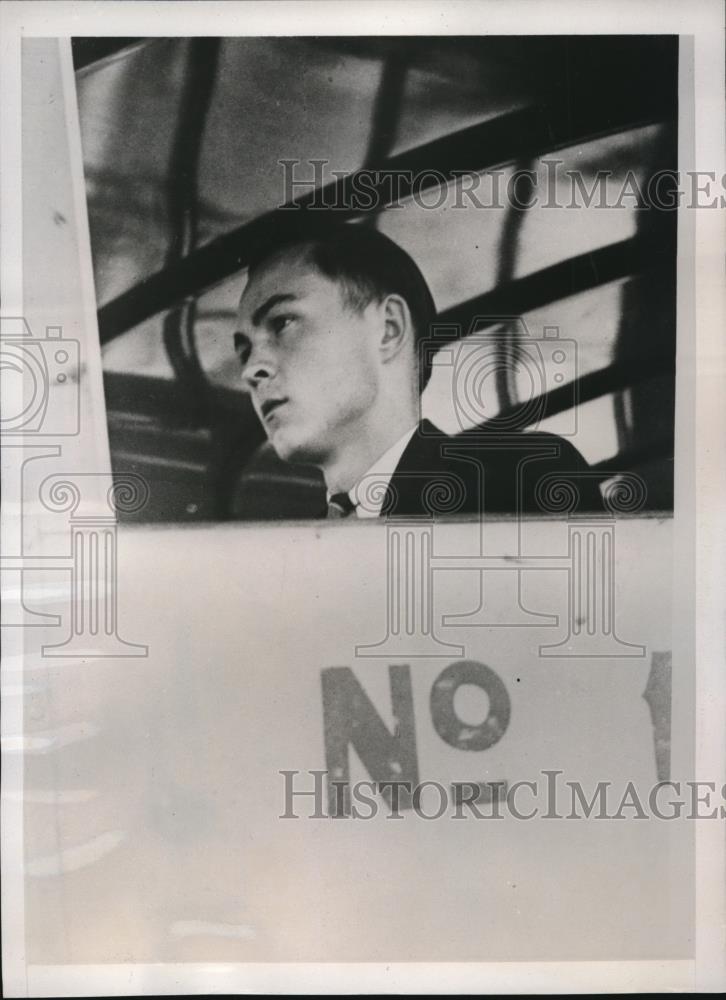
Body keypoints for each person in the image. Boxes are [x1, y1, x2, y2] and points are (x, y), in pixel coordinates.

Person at [233, 219, 603, 519]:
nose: (252, 369)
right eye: (244, 350)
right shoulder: (288, 547)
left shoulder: (523, 484)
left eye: (282, 323)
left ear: (389, 328)